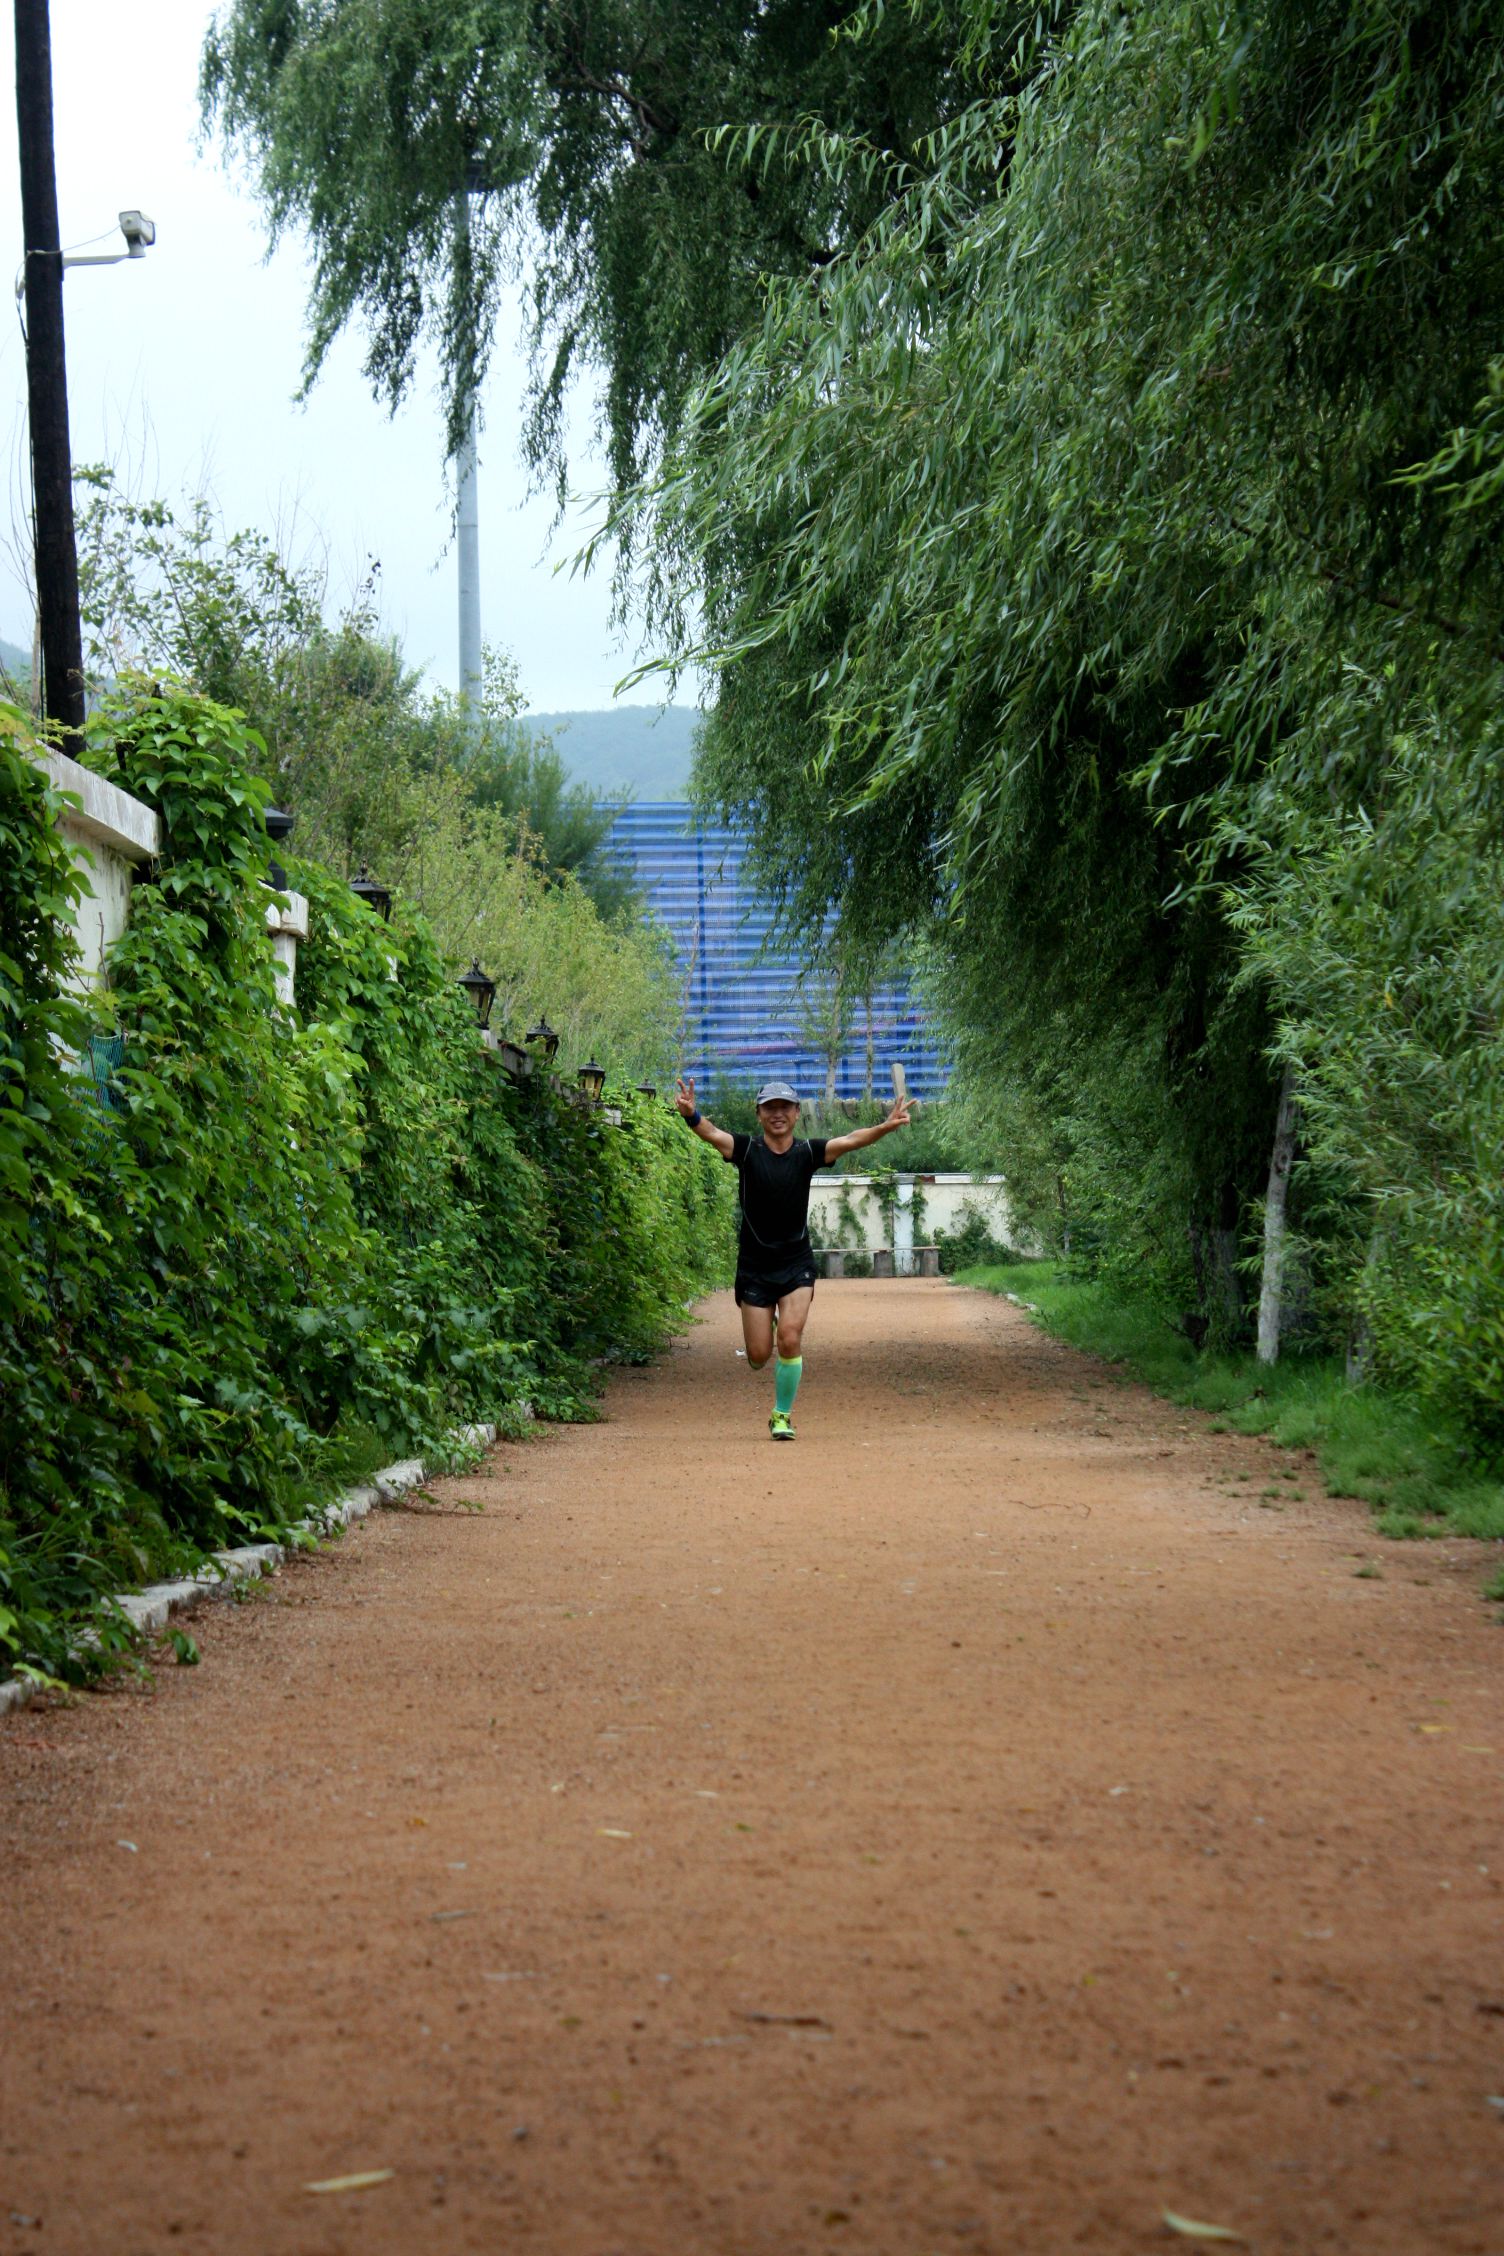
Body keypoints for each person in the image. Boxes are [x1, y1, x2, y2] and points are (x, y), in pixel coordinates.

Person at [675, 1075, 912, 1439]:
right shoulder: (746, 1150)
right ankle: (766, 1327)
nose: (778, 1114)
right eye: (770, 1108)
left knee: (790, 1336)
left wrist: (886, 1125)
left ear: (797, 1113)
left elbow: (851, 1140)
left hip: (796, 1264)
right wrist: (691, 1114)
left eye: (785, 1107)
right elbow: (711, 1133)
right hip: (755, 1267)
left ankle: (781, 1415)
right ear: (759, 1114)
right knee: (758, 1357)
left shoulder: (807, 1153)